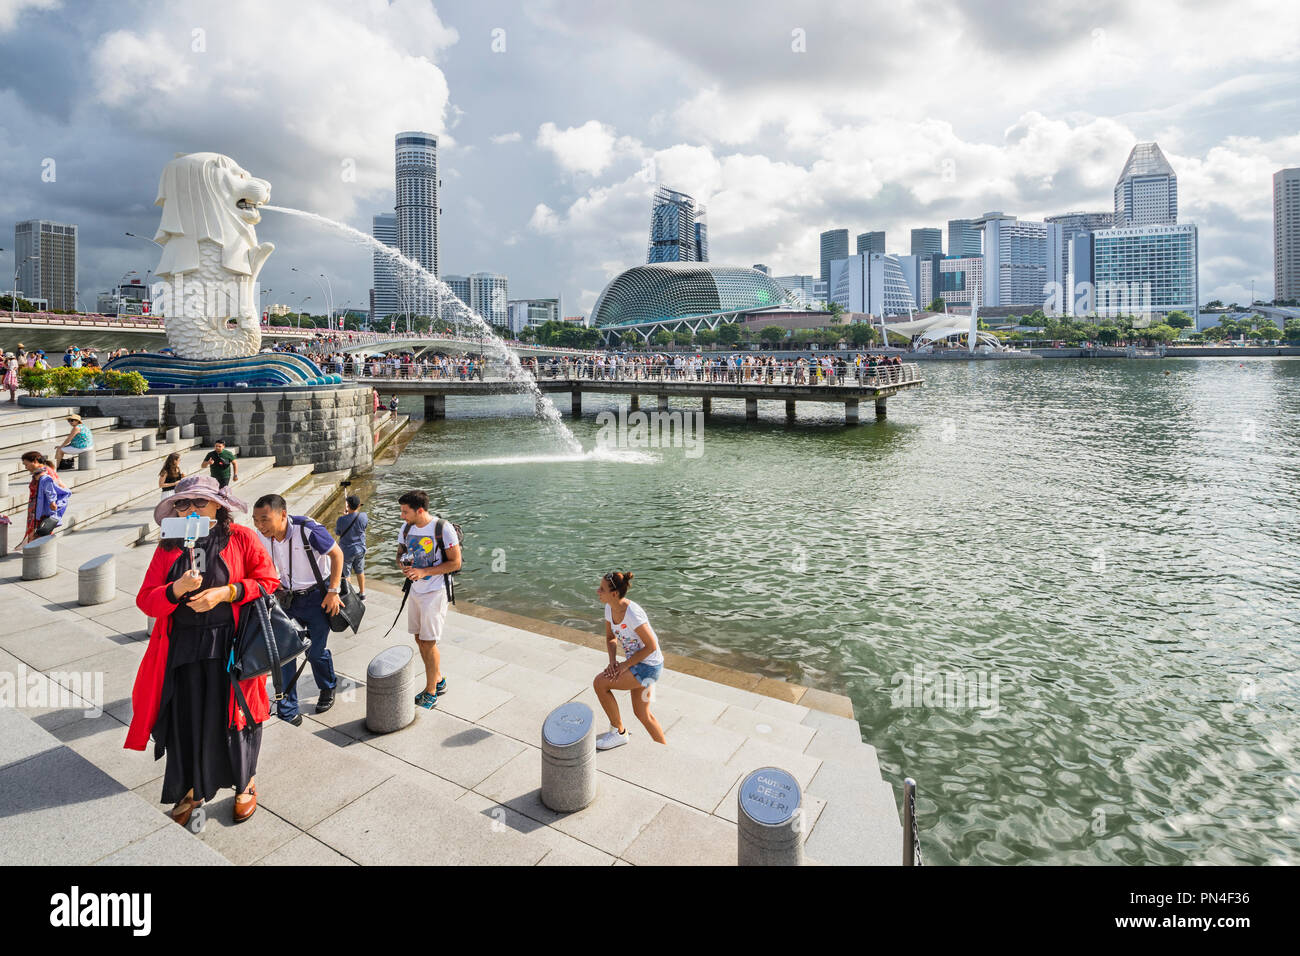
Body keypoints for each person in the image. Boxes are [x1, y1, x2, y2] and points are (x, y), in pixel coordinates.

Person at [124, 476, 280, 826]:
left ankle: (245, 782)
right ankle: (189, 789)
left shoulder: (241, 537)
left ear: (218, 507)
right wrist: (175, 589)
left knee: (236, 715)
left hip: (232, 644)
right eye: (182, 504)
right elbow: (146, 600)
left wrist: (226, 593)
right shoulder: (168, 546)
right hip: (182, 646)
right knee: (186, 717)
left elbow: (269, 581)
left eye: (199, 503)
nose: (190, 509)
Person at [251, 494, 344, 723]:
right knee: (285, 654)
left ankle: (327, 686)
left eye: (265, 519)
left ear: (283, 514)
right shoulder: (263, 536)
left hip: (317, 599)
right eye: (256, 520)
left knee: (315, 653)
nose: (260, 526)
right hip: (287, 600)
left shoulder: (308, 529)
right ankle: (288, 709)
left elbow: (337, 554)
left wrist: (333, 591)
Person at [395, 490, 461, 709]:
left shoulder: (443, 528)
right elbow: (400, 552)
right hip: (415, 590)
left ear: (419, 510)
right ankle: (439, 679)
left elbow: (455, 563)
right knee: (419, 638)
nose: (402, 516)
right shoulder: (406, 528)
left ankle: (431, 690)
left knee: (429, 641)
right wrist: (403, 564)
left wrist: (424, 572)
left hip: (435, 591)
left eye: (405, 512)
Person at [591, 571, 667, 750]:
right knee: (643, 714)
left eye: (602, 589)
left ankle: (619, 733)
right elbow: (611, 638)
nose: (597, 591)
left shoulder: (633, 614)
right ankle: (664, 749)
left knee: (600, 683)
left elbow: (652, 646)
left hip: (649, 668)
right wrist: (612, 662)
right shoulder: (609, 607)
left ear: (614, 593)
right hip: (642, 666)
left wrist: (625, 665)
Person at [16, 451, 70, 548]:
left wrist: (52, 502)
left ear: (35, 461)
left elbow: (56, 488)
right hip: (35, 507)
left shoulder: (45, 473)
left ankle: (36, 550)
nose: (25, 467)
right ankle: (34, 548)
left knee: (40, 530)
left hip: (42, 508)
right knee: (37, 530)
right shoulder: (39, 471)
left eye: (26, 464)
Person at [334, 493, 368, 600]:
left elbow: (338, 532)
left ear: (347, 506)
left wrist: (345, 517)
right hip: (360, 548)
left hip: (347, 550)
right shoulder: (364, 516)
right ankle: (362, 594)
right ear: (358, 506)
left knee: (346, 574)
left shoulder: (341, 520)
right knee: (360, 571)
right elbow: (364, 527)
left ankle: (350, 596)